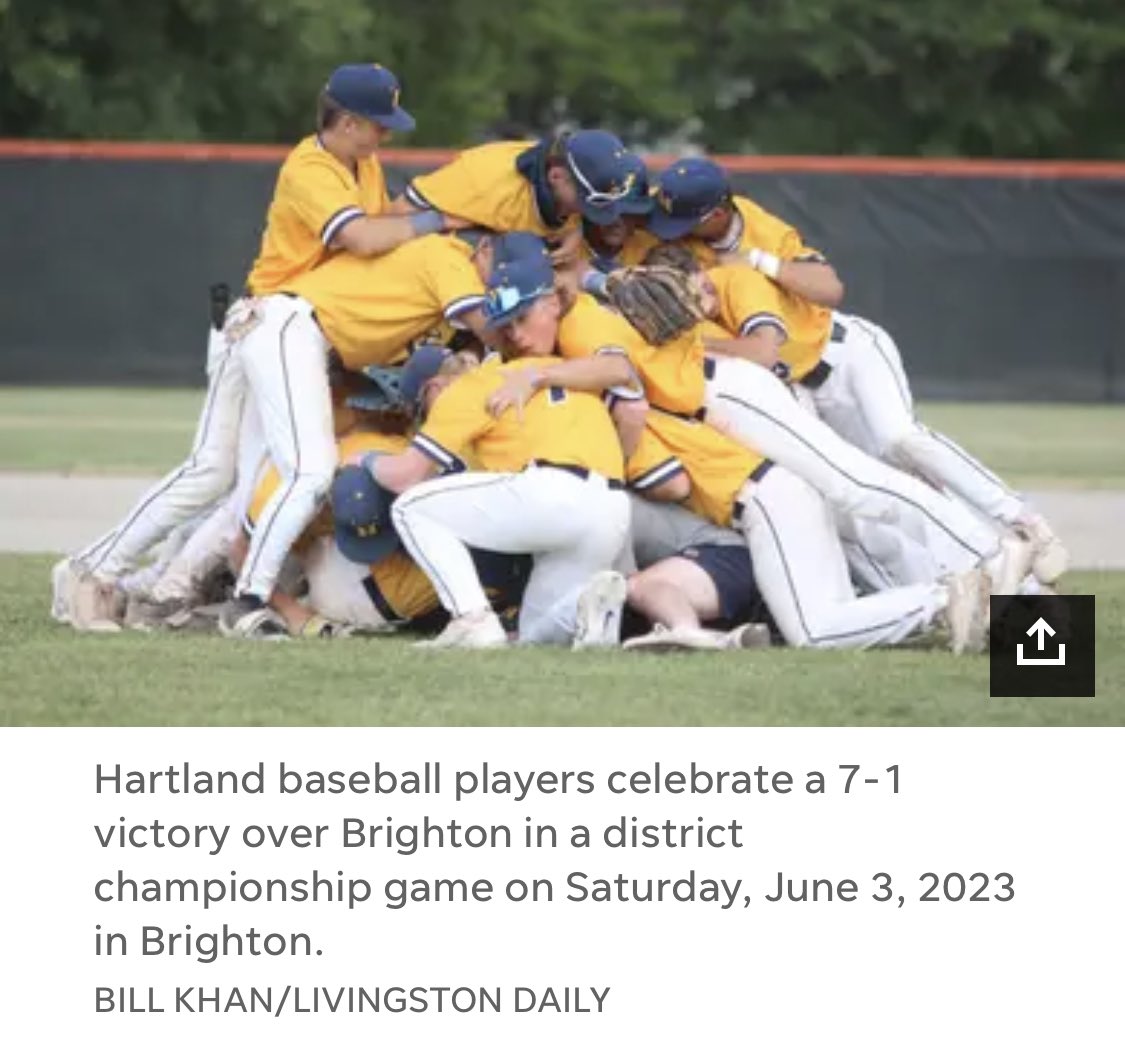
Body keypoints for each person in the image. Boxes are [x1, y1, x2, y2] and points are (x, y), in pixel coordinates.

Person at [58, 63, 464, 631]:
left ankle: (135, 583)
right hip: (261, 324)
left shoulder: (361, 164)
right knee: (216, 473)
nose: (387, 135)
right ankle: (94, 571)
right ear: (346, 121)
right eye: (378, 123)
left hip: (287, 333)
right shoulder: (310, 167)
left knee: (243, 485)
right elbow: (364, 237)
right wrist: (439, 220)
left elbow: (382, 227)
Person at [647, 159, 1068, 582]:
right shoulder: (683, 249)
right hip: (797, 388)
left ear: (717, 214)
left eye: (683, 219)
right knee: (875, 492)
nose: (672, 229)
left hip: (844, 353)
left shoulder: (758, 226)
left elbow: (830, 289)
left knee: (900, 437)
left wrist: (759, 260)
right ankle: (979, 580)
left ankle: (1022, 519)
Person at [365, 254, 635, 649]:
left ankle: (471, 618)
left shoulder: (486, 381)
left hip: (553, 492)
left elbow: (405, 475)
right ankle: (586, 608)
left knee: (411, 508)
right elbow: (627, 392)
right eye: (508, 327)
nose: (518, 336)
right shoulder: (575, 364)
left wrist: (363, 459)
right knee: (535, 634)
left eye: (522, 320)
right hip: (612, 510)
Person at [393, 128, 643, 262]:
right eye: (585, 201)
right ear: (556, 176)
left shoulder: (565, 181)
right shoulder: (483, 181)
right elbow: (396, 218)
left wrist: (574, 230)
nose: (590, 212)